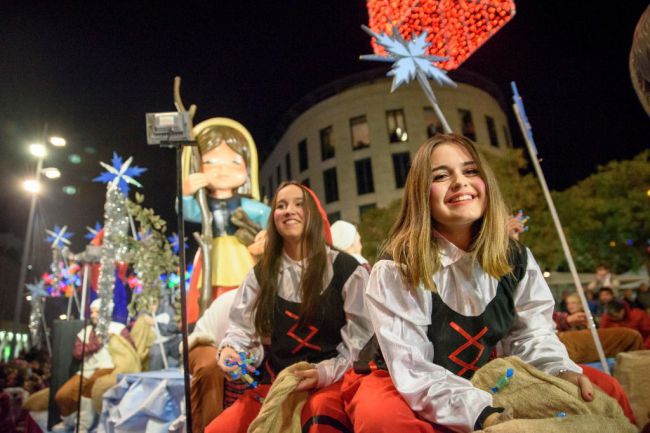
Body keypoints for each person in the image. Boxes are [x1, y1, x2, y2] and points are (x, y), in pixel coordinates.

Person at [343, 134, 593, 433]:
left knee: (592, 389)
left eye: (470, 171)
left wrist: (559, 371)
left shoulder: (516, 257)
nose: (460, 182)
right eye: (441, 175)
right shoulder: (397, 267)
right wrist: (483, 413)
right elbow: (413, 368)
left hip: (484, 373)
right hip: (400, 379)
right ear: (421, 193)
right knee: (383, 420)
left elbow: (532, 334)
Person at [205, 181, 373, 433]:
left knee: (321, 421)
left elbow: (361, 343)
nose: (288, 210)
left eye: (298, 204)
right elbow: (241, 331)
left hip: (333, 382)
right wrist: (232, 351)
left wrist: (323, 374)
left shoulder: (347, 270)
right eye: (281, 205)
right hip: (278, 384)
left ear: (314, 215)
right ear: (274, 218)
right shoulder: (260, 276)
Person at [182, 117, 271, 322]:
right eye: (210, 162)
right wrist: (186, 194)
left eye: (234, 162)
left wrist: (267, 234)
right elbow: (189, 212)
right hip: (211, 251)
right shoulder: (204, 205)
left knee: (246, 290)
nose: (223, 170)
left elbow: (265, 215)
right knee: (210, 292)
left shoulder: (247, 206)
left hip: (241, 252)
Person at [52, 299, 135, 433]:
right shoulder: (86, 331)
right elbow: (78, 353)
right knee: (63, 395)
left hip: (109, 369)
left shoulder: (118, 328)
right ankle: (69, 422)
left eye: (97, 311)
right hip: (86, 370)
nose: (93, 315)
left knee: (90, 389)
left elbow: (130, 349)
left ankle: (83, 426)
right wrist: (96, 344)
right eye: (92, 312)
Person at [144, 295, 182, 371]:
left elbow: (172, 328)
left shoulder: (167, 310)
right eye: (149, 304)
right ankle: (155, 378)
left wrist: (155, 323)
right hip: (156, 343)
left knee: (186, 345)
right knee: (157, 354)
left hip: (172, 340)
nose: (152, 307)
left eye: (154, 303)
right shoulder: (144, 315)